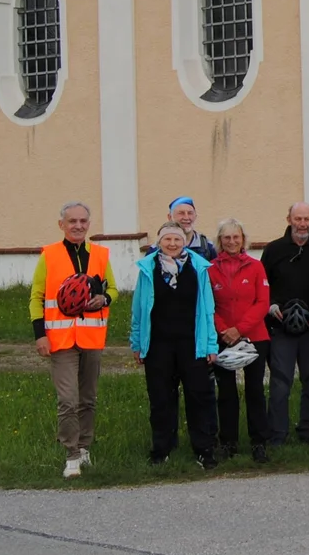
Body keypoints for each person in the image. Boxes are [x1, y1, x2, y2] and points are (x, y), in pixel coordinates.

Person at [29, 200, 115, 479]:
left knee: (88, 399)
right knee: (68, 399)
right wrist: (40, 335)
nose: (78, 226)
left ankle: (85, 446)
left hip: (92, 337)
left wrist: (106, 297)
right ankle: (71, 455)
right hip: (60, 340)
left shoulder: (101, 254)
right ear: (61, 225)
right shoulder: (49, 255)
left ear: (89, 224)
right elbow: (37, 297)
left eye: (83, 221)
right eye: (72, 221)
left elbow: (113, 287)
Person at [130, 221, 221, 467]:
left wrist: (211, 345)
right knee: (160, 399)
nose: (172, 244)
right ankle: (162, 449)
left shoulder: (199, 268)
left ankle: (203, 449)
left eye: (177, 240)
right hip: (158, 344)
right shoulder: (148, 269)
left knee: (199, 397)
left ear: (184, 242)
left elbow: (207, 310)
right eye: (167, 240)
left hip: (192, 344)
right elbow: (138, 310)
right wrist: (137, 343)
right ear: (159, 243)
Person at [261, 202, 309, 445]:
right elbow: (262, 285)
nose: (302, 224)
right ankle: (277, 434)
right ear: (289, 219)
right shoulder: (273, 250)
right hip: (280, 327)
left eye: (307, 219)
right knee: (281, 382)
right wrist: (270, 305)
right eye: (298, 219)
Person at [208, 217, 271, 463]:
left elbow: (262, 302)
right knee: (226, 392)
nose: (232, 241)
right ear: (220, 241)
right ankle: (228, 442)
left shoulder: (256, 266)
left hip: (254, 336)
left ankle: (259, 442)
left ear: (243, 239)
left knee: (255, 390)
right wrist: (224, 329)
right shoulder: (210, 269)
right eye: (227, 238)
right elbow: (208, 304)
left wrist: (240, 329)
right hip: (222, 337)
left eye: (236, 237)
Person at [168, 196, 218, 261]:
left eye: (190, 213)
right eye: (181, 213)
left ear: (195, 216)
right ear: (170, 217)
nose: (186, 217)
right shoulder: (160, 248)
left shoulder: (209, 247)